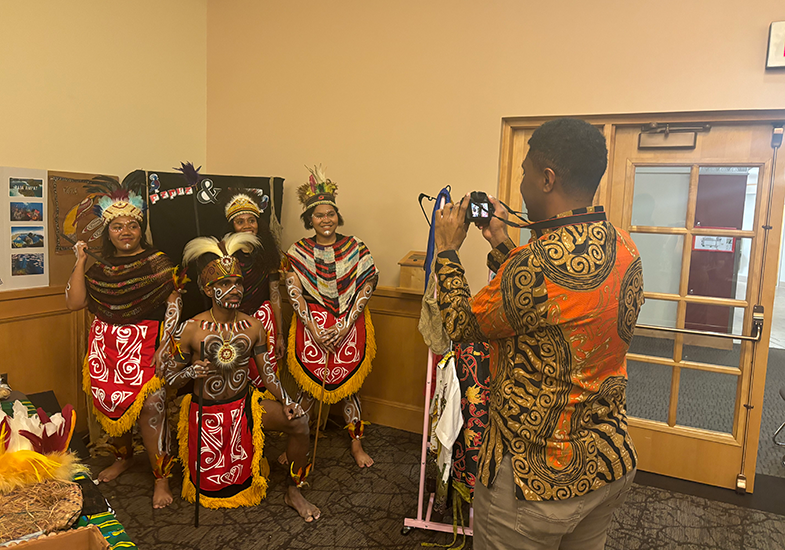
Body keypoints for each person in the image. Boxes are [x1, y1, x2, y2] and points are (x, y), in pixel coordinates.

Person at [433, 118, 644, 550]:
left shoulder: (534, 264)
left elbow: (461, 326)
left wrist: (448, 251)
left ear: (547, 179)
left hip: (535, 482)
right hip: (605, 463)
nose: (521, 184)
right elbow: (551, 307)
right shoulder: (626, 247)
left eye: (525, 173)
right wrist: (500, 240)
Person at [168, 233, 320, 521]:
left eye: (237, 282)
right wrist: (189, 371)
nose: (234, 289)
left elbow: (268, 374)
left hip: (245, 405)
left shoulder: (253, 326)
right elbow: (167, 378)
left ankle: (294, 490)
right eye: (225, 283)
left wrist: (287, 400)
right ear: (210, 290)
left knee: (300, 422)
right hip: (207, 413)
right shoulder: (191, 328)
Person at [66, 180, 182, 509]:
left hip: (146, 343)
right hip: (105, 348)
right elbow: (75, 303)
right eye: (117, 226)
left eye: (132, 225)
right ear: (108, 230)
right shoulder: (99, 269)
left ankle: (161, 478)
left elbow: (174, 302)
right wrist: (80, 260)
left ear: (140, 228)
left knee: (151, 410)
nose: (126, 231)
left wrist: (166, 343)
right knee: (110, 406)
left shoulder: (159, 262)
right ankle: (124, 458)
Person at [284, 165, 378, 468]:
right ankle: (296, 446)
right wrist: (312, 326)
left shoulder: (356, 247)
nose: (326, 220)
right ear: (308, 220)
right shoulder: (297, 252)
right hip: (312, 327)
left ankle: (356, 445)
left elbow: (367, 285)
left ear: (338, 216)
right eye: (318, 215)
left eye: (330, 214)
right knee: (307, 389)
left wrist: (345, 324)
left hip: (349, 324)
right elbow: (294, 291)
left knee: (352, 389)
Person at [221, 190, 284, 386]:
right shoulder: (223, 254)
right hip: (232, 324)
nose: (247, 226)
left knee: (265, 379)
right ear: (232, 226)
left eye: (251, 220)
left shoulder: (269, 255)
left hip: (264, 324)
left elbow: (275, 296)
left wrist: (280, 335)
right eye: (240, 222)